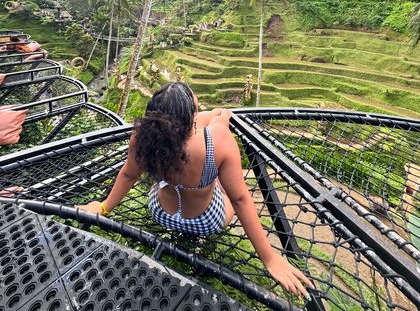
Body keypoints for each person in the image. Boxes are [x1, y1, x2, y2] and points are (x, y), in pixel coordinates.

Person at [79, 82, 313, 298]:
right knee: (222, 183)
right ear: (190, 118)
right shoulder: (217, 140)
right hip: (207, 221)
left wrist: (102, 207)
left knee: (175, 171)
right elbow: (240, 199)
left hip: (161, 213)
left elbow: (129, 174)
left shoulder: (142, 136)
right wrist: (270, 258)